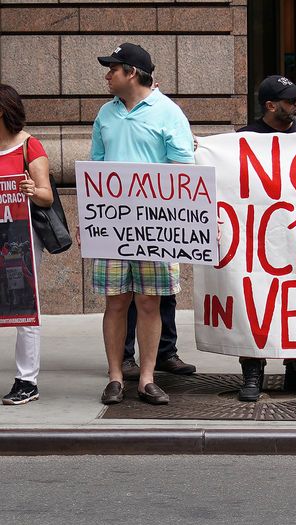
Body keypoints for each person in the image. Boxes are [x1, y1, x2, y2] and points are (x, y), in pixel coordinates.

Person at [92, 42, 194, 406]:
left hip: (157, 224)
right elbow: (97, 170)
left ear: (131, 73)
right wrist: (91, 219)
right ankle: (116, 376)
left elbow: (184, 171)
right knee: (115, 301)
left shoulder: (169, 113)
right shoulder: (105, 114)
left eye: (112, 69)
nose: (107, 76)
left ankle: (147, 378)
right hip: (114, 224)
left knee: (149, 302)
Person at [232, 75, 296, 402]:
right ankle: (252, 370)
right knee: (256, 301)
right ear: (270, 105)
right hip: (258, 239)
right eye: (290, 100)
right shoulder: (245, 138)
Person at [0, 84, 53, 406]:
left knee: (24, 307)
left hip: (19, 238)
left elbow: (46, 196)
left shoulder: (28, 147)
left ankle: (26, 380)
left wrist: (32, 188)